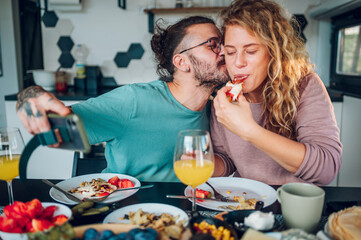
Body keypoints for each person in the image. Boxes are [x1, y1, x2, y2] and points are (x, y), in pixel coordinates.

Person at [16, 16, 229, 182]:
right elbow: (54, 124)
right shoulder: (133, 101)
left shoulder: (218, 106)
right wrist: (29, 96)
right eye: (213, 44)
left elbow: (225, 163)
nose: (225, 52)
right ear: (182, 62)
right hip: (127, 214)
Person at [211, 0, 342, 186]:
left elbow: (326, 169)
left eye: (250, 51)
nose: (238, 62)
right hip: (245, 203)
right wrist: (206, 164)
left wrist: (250, 131)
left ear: (274, 52)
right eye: (231, 52)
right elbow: (227, 159)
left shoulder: (305, 85)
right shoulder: (225, 97)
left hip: (293, 205)